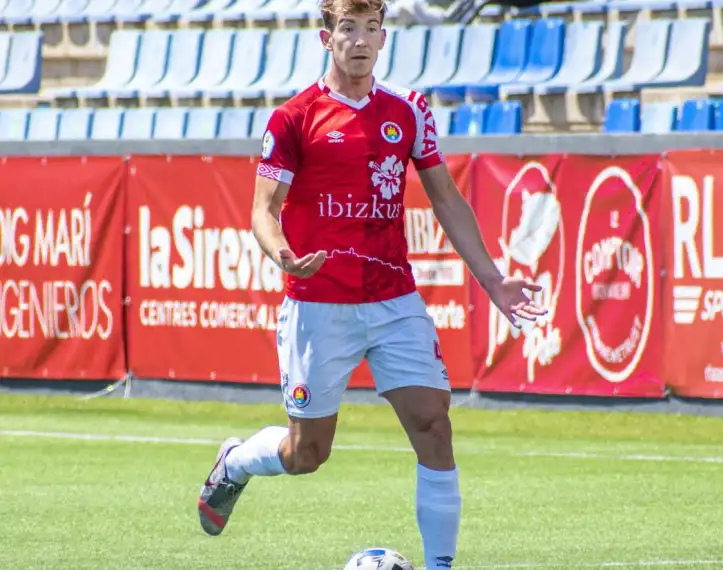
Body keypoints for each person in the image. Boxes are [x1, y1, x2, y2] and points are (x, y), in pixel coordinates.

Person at [196, 0, 547, 567]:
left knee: (434, 425)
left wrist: (495, 280)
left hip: (393, 299)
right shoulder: (294, 117)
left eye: (371, 29)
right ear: (325, 37)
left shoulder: (408, 109)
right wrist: (283, 253)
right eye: (348, 29)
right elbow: (263, 210)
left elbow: (447, 200)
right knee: (308, 452)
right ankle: (235, 462)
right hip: (318, 305)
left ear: (384, 39)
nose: (360, 40)